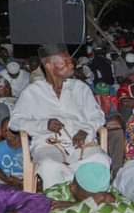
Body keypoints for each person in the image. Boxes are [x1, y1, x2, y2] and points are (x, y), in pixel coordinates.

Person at [9, 43, 109, 188]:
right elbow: (15, 122)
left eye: (70, 61)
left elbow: (98, 116)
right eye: (66, 62)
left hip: (81, 142)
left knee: (100, 159)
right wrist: (44, 125)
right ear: (49, 66)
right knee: (50, 166)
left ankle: (92, 202)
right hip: (48, 144)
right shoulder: (33, 92)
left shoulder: (80, 88)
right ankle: (60, 204)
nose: (72, 65)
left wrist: (86, 130)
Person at [0, 117, 24, 188]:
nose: (7, 133)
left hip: (25, 178)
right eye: (5, 130)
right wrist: (8, 181)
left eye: (10, 130)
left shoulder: (29, 146)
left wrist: (21, 182)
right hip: (7, 179)